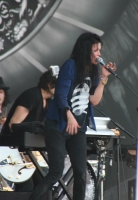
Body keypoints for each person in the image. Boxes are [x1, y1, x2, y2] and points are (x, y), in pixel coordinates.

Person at [28, 32, 117, 200]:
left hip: (78, 128)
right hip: (58, 125)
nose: (99, 54)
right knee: (55, 172)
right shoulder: (71, 65)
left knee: (81, 173)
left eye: (100, 50)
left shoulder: (93, 69)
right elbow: (60, 95)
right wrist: (69, 115)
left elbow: (94, 100)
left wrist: (104, 78)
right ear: (86, 50)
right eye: (96, 50)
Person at [1, 70, 57, 191]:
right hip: (12, 149)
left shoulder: (49, 101)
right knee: (27, 187)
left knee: (43, 184)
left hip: (27, 151)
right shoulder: (32, 95)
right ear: (49, 84)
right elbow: (13, 124)